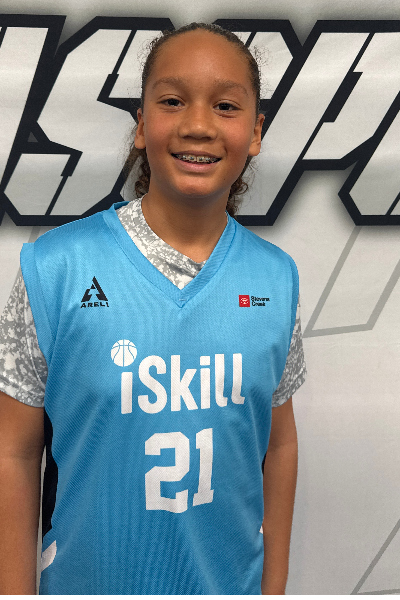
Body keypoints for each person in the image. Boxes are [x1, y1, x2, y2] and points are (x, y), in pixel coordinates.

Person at [0, 23, 306, 595]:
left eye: (225, 105)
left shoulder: (276, 278)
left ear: (255, 132)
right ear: (141, 125)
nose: (198, 124)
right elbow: (12, 452)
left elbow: (280, 442)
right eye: (172, 101)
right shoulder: (55, 269)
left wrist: (274, 583)